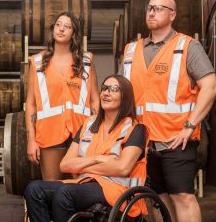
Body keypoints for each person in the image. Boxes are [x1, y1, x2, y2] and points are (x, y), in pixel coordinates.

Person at [123, 0, 216, 222]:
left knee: (183, 196)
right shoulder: (131, 50)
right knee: (155, 197)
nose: (151, 12)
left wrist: (190, 125)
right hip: (143, 141)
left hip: (177, 138)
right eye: (149, 8)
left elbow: (211, 87)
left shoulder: (187, 46)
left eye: (159, 8)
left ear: (172, 14)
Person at [24, 75, 148, 222]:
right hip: (85, 184)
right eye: (104, 88)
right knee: (34, 189)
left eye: (114, 89)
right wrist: (97, 159)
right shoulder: (88, 124)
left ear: (125, 97)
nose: (106, 93)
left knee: (65, 193)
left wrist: (82, 167)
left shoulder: (136, 129)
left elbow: (122, 168)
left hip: (117, 190)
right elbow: (65, 165)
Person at [25, 11, 100, 181]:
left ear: (74, 33)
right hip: (49, 134)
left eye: (67, 26)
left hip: (82, 135)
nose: (61, 29)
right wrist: (31, 139)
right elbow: (31, 103)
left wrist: (96, 134)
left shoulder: (86, 61)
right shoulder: (37, 62)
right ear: (53, 29)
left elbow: (95, 100)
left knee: (82, 188)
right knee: (51, 188)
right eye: (58, 25)